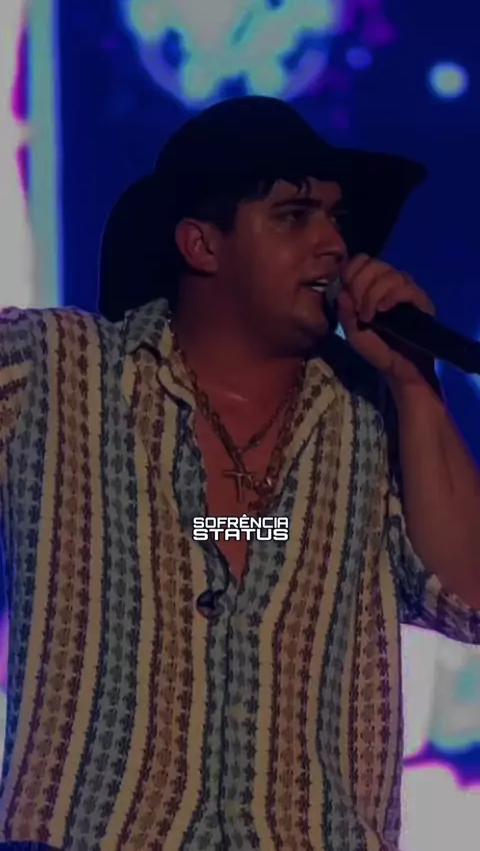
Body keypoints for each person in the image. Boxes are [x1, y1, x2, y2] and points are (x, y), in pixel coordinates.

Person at [0, 95, 479, 851]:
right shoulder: (58, 368)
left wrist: (416, 385)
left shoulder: (369, 421)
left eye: (338, 219)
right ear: (203, 245)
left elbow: (471, 600)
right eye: (294, 215)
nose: (335, 244)